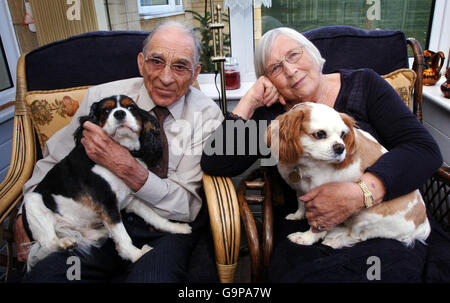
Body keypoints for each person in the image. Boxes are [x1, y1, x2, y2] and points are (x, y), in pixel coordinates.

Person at [201, 27, 443, 282]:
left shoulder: (365, 85)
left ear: (314, 54)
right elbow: (216, 162)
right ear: (268, 81)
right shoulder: (275, 116)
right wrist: (249, 102)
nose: (291, 70)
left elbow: (424, 150)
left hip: (382, 223)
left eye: (294, 55)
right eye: (275, 68)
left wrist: (360, 193)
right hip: (307, 227)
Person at [14, 20, 223, 282]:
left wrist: (128, 169)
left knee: (152, 279)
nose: (166, 77)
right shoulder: (100, 100)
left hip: (161, 231)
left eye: (180, 66)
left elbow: (187, 206)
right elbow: (55, 160)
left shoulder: (206, 115)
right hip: (93, 228)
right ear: (140, 63)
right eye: (156, 61)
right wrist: (27, 213)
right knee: (54, 278)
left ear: (195, 74)